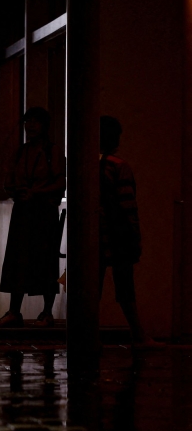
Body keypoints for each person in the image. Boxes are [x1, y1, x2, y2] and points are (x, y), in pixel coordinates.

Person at [0, 107, 66, 328]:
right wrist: (17, 191)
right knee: (17, 260)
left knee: (45, 261)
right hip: (23, 209)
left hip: (44, 212)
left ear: (44, 126)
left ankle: (46, 312)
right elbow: (8, 180)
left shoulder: (52, 151)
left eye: (35, 122)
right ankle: (14, 311)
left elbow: (61, 183)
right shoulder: (20, 152)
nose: (30, 126)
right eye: (27, 122)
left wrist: (36, 192)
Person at [99, 115, 148, 344]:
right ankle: (138, 333)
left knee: (90, 287)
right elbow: (128, 206)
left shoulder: (82, 164)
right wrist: (135, 237)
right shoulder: (118, 166)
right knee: (125, 286)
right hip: (118, 234)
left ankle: (86, 333)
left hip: (95, 236)